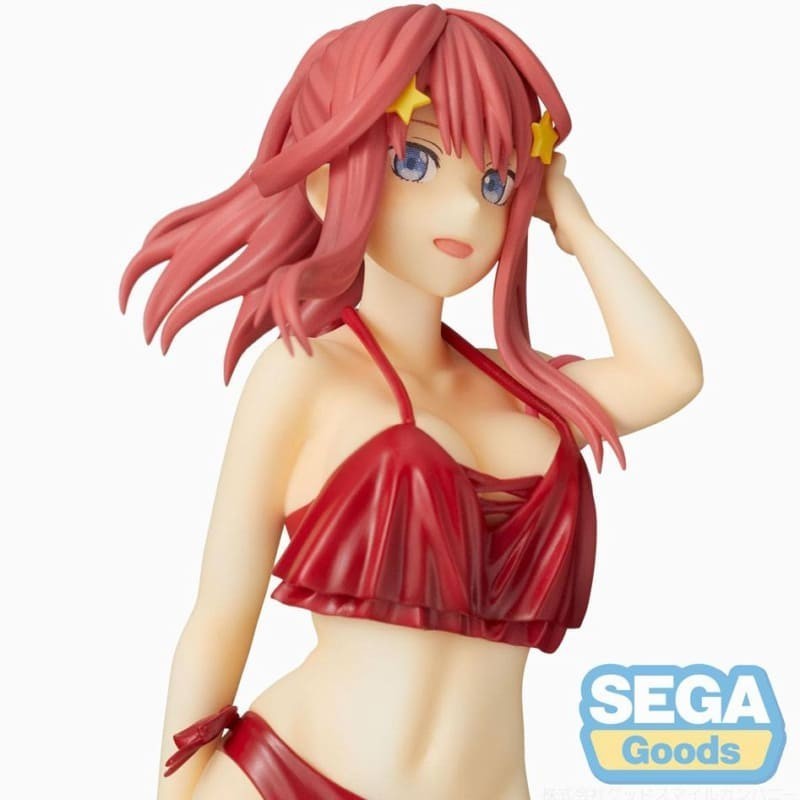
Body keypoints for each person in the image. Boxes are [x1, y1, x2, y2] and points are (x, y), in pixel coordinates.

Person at [119, 5, 703, 799]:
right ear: (329, 175)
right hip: (292, 780)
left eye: (495, 181)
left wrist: (573, 220)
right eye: (417, 161)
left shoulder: (527, 391)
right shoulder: (304, 374)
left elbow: (671, 374)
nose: (468, 211)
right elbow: (220, 616)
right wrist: (176, 790)